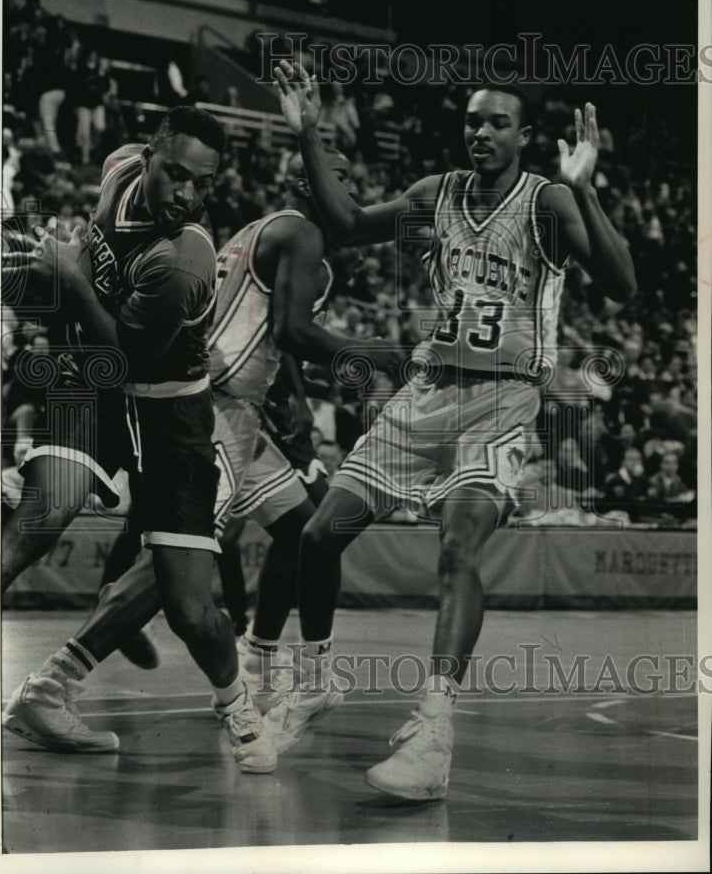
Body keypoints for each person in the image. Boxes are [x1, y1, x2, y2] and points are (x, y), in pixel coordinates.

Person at [267, 61, 637, 800]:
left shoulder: (548, 201)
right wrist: (309, 132)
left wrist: (589, 190)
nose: (481, 131)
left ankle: (435, 728)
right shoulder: (434, 195)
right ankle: (313, 680)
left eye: (498, 122)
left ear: (526, 137)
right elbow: (343, 225)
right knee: (317, 536)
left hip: (503, 402)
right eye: (472, 120)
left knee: (458, 541)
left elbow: (623, 283)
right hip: (427, 393)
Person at [2, 148, 399, 750]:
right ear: (305, 180)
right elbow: (291, 331)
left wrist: (289, 395)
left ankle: (261, 654)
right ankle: (55, 682)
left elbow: (270, 332)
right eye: (340, 177)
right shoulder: (303, 234)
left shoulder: (259, 230)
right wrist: (374, 352)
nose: (351, 190)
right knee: (176, 570)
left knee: (305, 526)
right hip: (210, 407)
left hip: (241, 409)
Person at [1, 106, 277, 774]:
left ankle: (235, 701)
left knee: (188, 606)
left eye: (202, 185)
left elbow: (127, 351)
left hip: (167, 413)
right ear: (148, 155)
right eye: (176, 174)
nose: (187, 195)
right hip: (94, 385)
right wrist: (28, 274)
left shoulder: (187, 257)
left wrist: (64, 277)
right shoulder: (118, 166)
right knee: (42, 514)